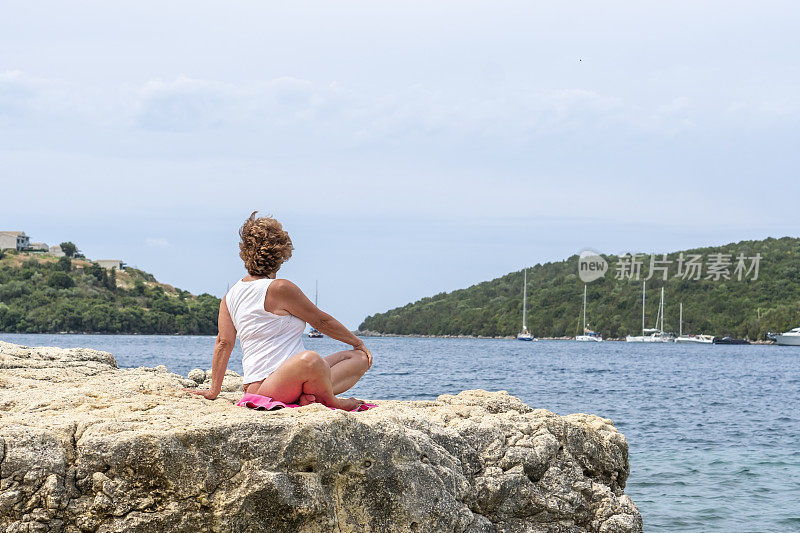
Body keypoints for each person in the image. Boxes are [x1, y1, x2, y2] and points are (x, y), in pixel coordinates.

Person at [184, 212, 372, 410]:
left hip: (293, 378)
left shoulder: (229, 296)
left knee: (358, 358)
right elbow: (320, 321)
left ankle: (308, 396)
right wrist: (357, 341)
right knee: (312, 359)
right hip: (267, 386)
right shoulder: (280, 288)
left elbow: (224, 343)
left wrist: (214, 390)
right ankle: (331, 401)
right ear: (281, 253)